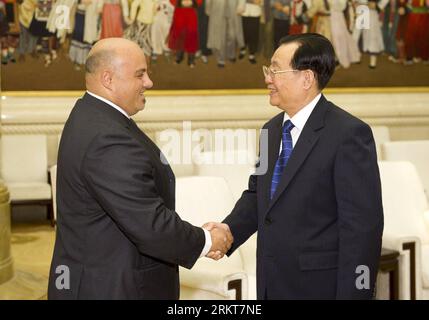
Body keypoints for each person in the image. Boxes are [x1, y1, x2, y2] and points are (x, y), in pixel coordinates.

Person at [48, 38, 232, 300]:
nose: (149, 82)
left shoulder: (91, 115)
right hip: (112, 287)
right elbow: (150, 225)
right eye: (140, 74)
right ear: (108, 79)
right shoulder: (107, 137)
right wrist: (207, 240)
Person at [205, 33, 384, 299]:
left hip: (320, 288)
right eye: (269, 69)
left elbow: (362, 231)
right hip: (272, 283)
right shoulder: (271, 130)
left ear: (307, 78)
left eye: (275, 70)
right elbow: (259, 196)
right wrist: (228, 230)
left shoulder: (348, 134)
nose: (267, 78)